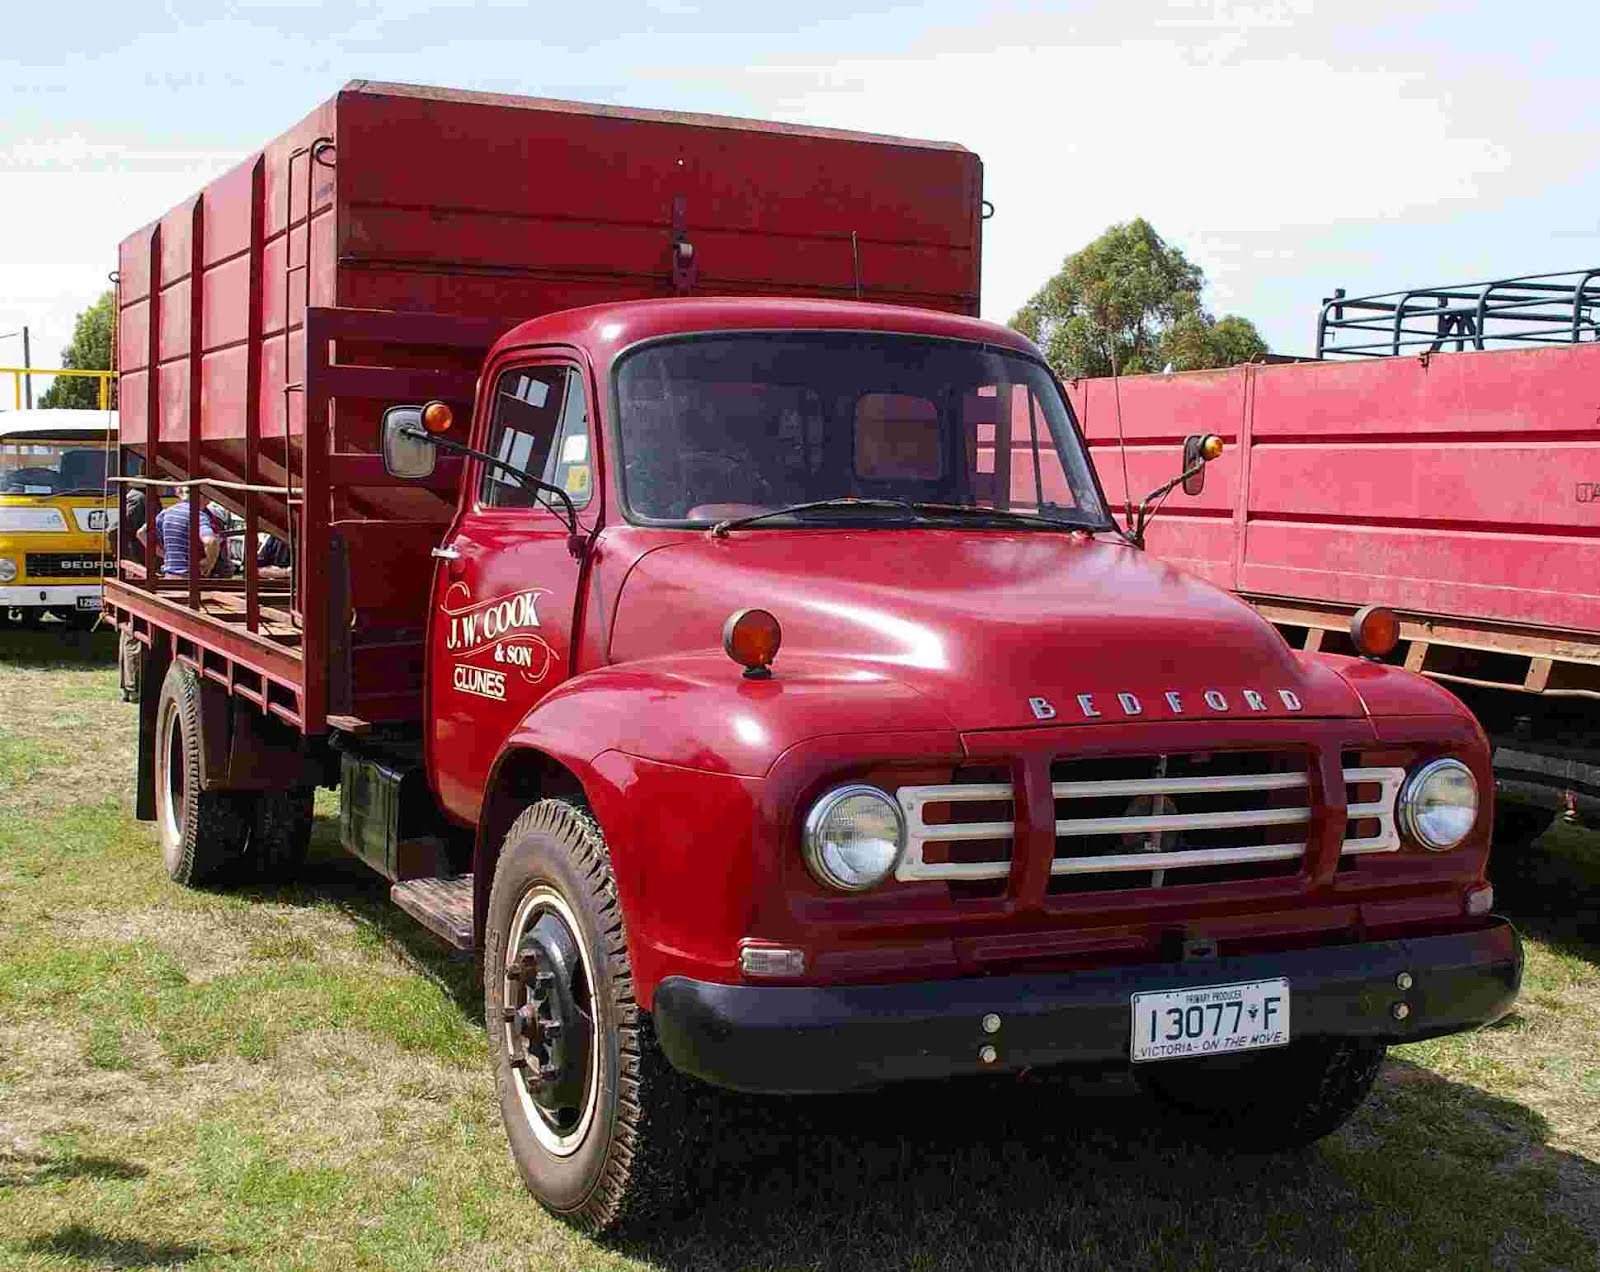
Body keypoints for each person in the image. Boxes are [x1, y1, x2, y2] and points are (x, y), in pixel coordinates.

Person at [154, 487, 221, 578]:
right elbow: (211, 541)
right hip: (189, 578)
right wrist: (209, 563)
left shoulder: (166, 512)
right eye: (208, 498)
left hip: (169, 576)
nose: (208, 502)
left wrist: (163, 554)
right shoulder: (198, 515)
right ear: (201, 497)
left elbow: (142, 533)